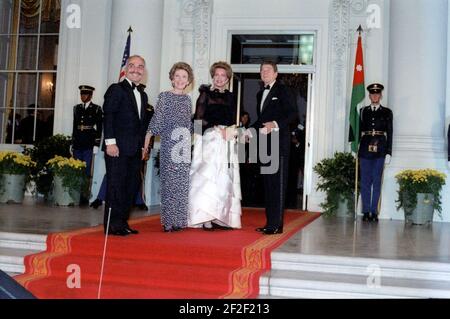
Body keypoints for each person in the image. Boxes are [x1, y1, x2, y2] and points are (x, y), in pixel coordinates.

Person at [188, 61, 242, 231]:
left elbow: (238, 119)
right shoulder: (205, 94)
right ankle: (205, 217)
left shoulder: (233, 97)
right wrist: (198, 140)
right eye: (217, 75)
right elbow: (198, 119)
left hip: (227, 141)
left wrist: (233, 129)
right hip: (210, 140)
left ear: (228, 78)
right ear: (213, 76)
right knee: (208, 178)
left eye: (223, 76)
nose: (220, 78)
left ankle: (221, 216)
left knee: (224, 179)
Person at [143, 62, 194, 232]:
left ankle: (179, 220)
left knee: (182, 184)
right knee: (169, 183)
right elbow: (156, 122)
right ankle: (168, 222)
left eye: (184, 77)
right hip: (170, 144)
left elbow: (190, 125)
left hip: (184, 145)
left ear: (188, 81)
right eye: (177, 76)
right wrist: (146, 142)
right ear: (172, 79)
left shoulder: (188, 100)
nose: (180, 80)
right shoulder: (164, 97)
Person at [102, 55, 148, 236]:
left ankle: (122, 222)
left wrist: (144, 146)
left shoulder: (143, 95)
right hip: (117, 148)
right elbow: (109, 116)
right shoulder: (116, 89)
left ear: (143, 71)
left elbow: (142, 124)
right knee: (116, 186)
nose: (136, 69)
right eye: (132, 65)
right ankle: (112, 225)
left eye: (140, 66)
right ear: (126, 68)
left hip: (135, 149)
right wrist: (110, 143)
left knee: (131, 186)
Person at [248, 61, 297, 235]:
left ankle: (277, 225)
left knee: (278, 185)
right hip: (265, 146)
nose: (264, 72)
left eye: (268, 70)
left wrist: (275, 124)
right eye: (262, 70)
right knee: (268, 186)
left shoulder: (283, 90)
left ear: (276, 73)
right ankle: (270, 223)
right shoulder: (260, 93)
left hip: (279, 145)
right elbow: (261, 121)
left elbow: (292, 115)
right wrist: (248, 131)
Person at [91, 100, 154, 211]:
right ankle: (100, 198)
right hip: (117, 144)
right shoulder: (120, 102)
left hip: (138, 145)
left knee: (136, 174)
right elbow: (108, 123)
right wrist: (108, 144)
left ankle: (138, 201)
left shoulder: (147, 107)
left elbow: (149, 128)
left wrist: (147, 148)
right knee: (111, 173)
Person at [358, 83, 393, 222]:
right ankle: (366, 211)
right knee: (365, 181)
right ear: (369, 96)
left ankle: (374, 211)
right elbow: (358, 130)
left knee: (376, 181)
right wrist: (355, 146)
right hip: (365, 149)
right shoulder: (362, 111)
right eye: (372, 94)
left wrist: (389, 151)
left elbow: (390, 132)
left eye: (377, 94)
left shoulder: (387, 112)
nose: (375, 96)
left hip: (380, 149)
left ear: (381, 95)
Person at [72, 85, 103, 179]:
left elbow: (99, 127)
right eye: (81, 94)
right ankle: (76, 193)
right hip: (77, 143)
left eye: (85, 94)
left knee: (86, 170)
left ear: (91, 95)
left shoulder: (96, 109)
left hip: (89, 143)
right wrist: (72, 142)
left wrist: (96, 144)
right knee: (76, 169)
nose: (82, 96)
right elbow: (74, 126)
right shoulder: (76, 108)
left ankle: (84, 193)